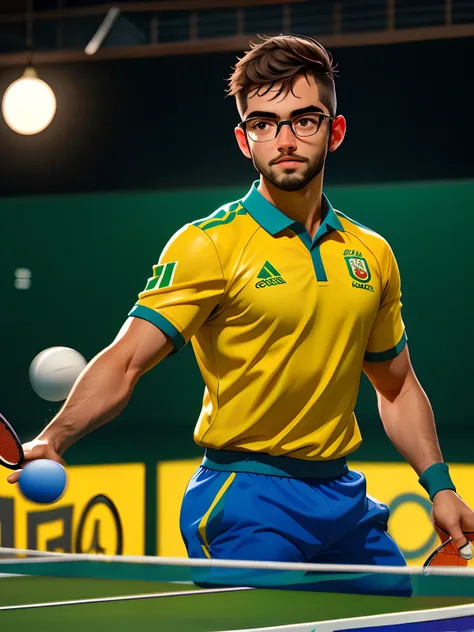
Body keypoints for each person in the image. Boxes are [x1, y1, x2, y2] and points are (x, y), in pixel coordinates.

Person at [8, 34, 474, 595]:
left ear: (335, 130)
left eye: (304, 120)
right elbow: (127, 359)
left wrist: (440, 486)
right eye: (264, 123)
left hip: (345, 500)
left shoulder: (371, 254)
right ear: (243, 138)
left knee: (402, 619)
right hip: (247, 498)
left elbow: (396, 389)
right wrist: (53, 439)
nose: (283, 139)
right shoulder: (209, 244)